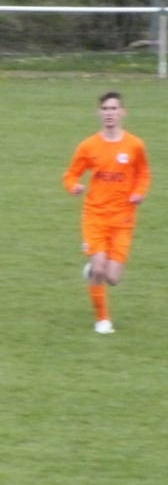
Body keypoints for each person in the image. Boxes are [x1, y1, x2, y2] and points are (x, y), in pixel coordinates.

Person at [63, 91, 150, 334]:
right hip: (95, 216)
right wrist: (73, 186)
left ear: (122, 112)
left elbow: (143, 173)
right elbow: (70, 174)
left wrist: (139, 192)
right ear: (98, 113)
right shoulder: (88, 146)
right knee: (101, 269)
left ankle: (92, 270)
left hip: (123, 218)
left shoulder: (135, 145)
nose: (109, 113)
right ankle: (102, 320)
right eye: (105, 109)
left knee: (113, 278)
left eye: (114, 109)